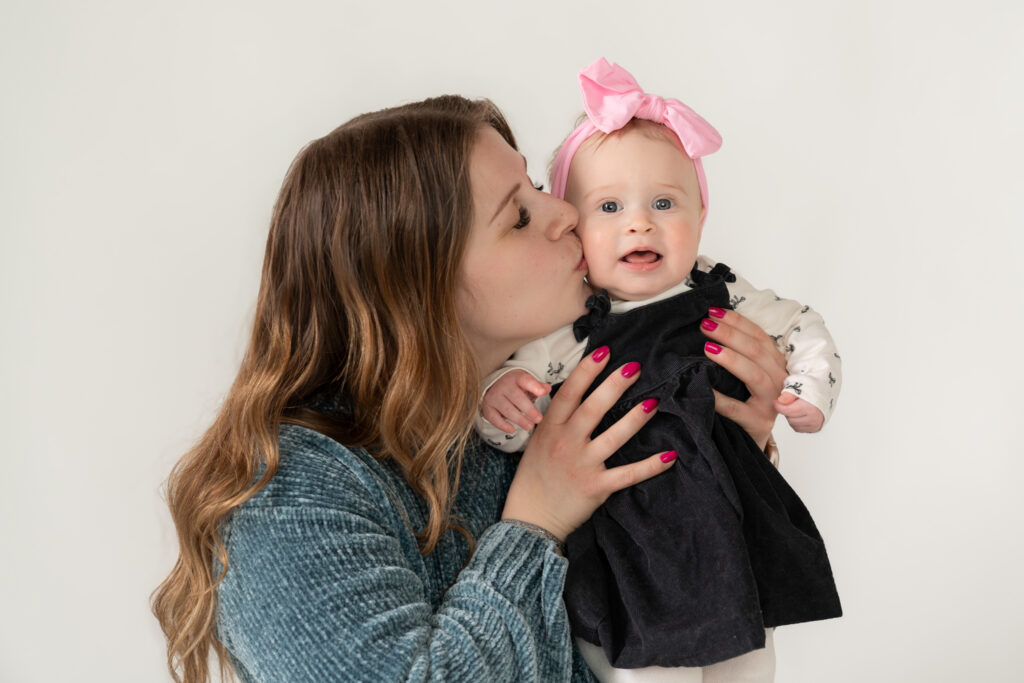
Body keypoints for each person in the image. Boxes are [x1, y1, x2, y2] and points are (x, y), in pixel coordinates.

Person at [151, 94, 791, 683]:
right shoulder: (290, 494)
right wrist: (536, 522)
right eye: (519, 216)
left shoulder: (527, 416)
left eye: (536, 186)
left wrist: (723, 440)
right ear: (417, 285)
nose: (567, 212)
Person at [475, 59, 842, 680]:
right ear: (574, 229)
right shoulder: (572, 323)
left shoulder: (718, 290)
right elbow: (520, 419)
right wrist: (499, 398)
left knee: (751, 658)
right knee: (645, 663)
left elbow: (801, 324)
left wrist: (807, 389)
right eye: (609, 206)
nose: (639, 222)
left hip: (727, 520)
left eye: (665, 203)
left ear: (701, 216)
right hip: (631, 537)